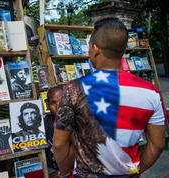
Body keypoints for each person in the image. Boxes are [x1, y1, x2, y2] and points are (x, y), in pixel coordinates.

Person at [53, 18, 166, 178]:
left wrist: (64, 173)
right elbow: (158, 144)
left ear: (95, 48)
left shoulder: (74, 89)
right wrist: (135, 171)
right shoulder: (151, 92)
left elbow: (59, 144)